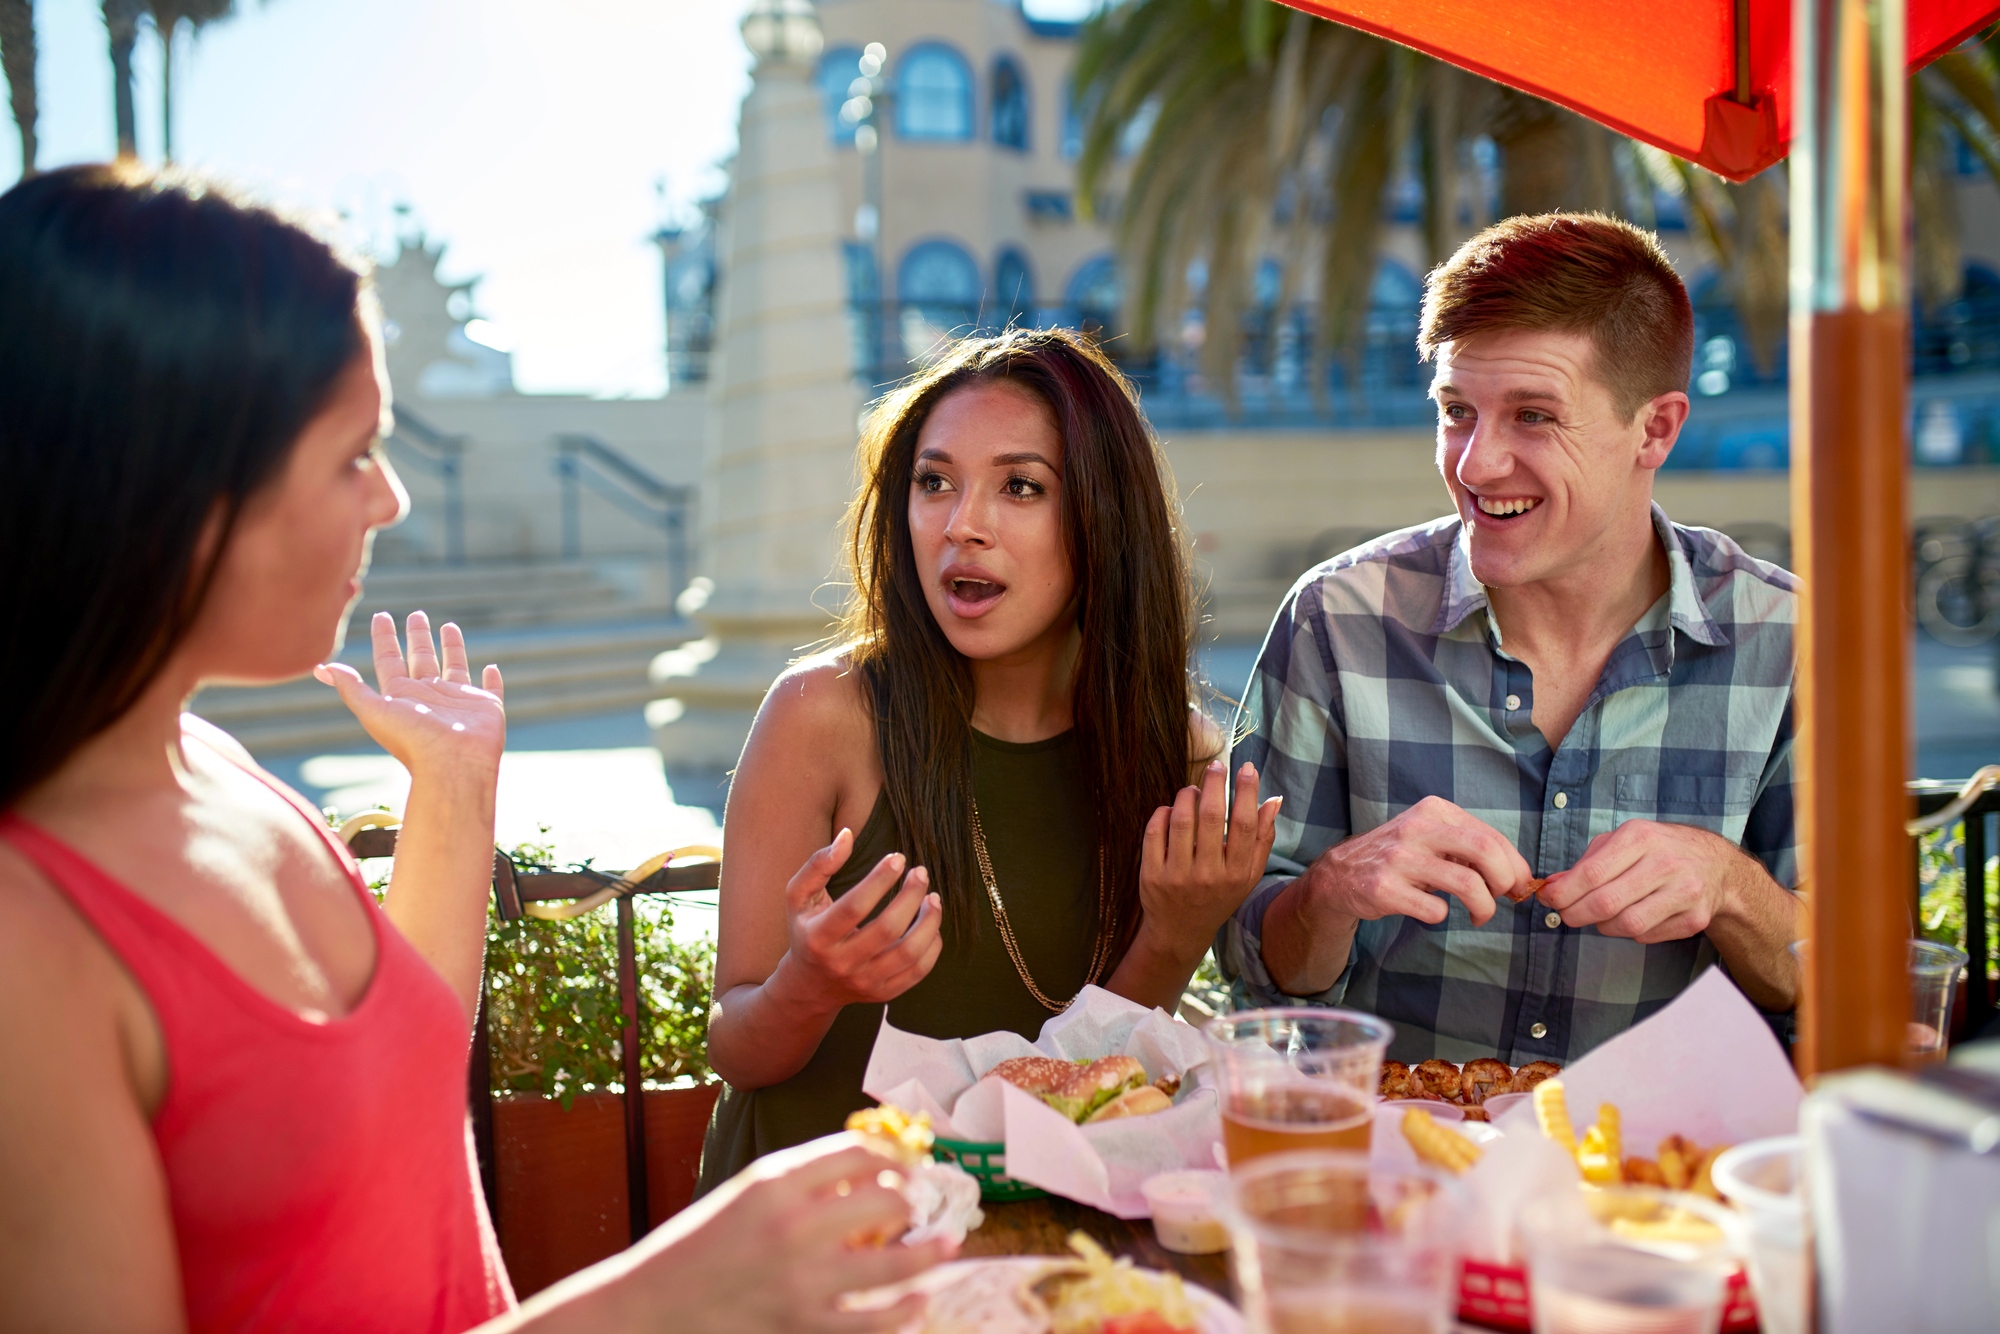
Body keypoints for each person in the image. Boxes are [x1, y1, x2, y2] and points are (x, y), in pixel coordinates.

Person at [0, 163, 944, 1333]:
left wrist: (452, 791)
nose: (388, 498)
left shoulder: (215, 766)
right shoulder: (26, 947)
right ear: (170, 485)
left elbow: (391, 1073)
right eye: (352, 452)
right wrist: (668, 1299)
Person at [699, 328, 1281, 1188]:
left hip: (1042, 1221)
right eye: (935, 482)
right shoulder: (820, 713)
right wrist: (810, 983)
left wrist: (1177, 932)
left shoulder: (1181, 752)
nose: (963, 525)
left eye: (1020, 487)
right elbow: (738, 1051)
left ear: (1101, 517)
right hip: (821, 1231)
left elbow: (1101, 1080)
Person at [1216, 213, 1801, 1064]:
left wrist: (1731, 887)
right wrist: (1332, 891)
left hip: (1667, 1176)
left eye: (1532, 416)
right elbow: (1250, 959)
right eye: (1457, 411)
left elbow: (1864, 974)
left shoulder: (1788, 641)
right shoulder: (1337, 621)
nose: (1476, 463)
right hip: (1405, 1169)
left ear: (1656, 429)